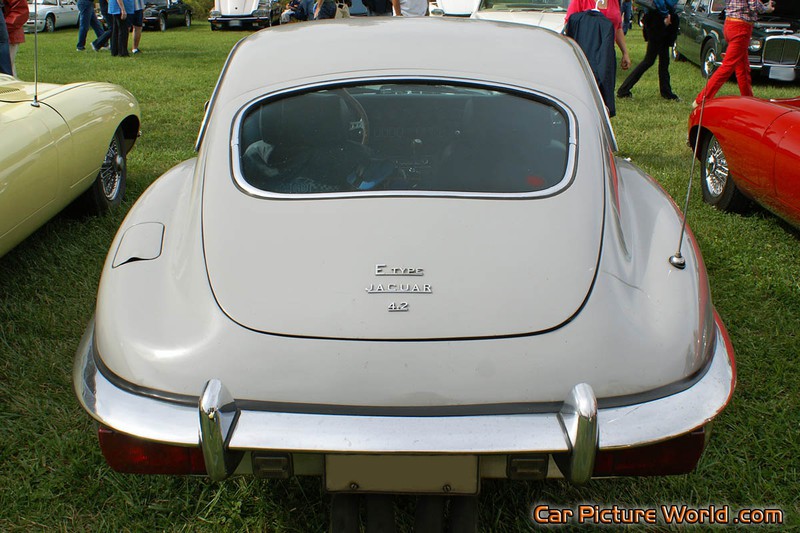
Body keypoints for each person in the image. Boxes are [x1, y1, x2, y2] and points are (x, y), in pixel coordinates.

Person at [693, 0, 775, 109]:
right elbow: (754, 5)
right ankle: (701, 99)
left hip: (730, 24)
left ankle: (748, 100)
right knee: (728, 66)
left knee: (743, 67)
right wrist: (767, 8)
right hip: (741, 28)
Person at [565, 0, 631, 117]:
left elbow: (618, 27)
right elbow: (569, 25)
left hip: (607, 56)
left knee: (605, 98)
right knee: (586, 98)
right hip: (585, 57)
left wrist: (625, 52)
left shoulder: (614, 1)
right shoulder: (580, 1)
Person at [617, 0, 680, 100]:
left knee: (664, 59)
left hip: (661, 17)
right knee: (649, 60)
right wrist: (665, 13)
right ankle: (623, 89)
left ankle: (666, 91)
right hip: (658, 19)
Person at [2, 0, 26, 75]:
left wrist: (3, 28)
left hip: (9, 37)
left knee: (6, 72)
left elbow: (21, 10)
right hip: (6, 34)